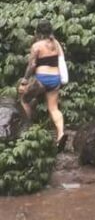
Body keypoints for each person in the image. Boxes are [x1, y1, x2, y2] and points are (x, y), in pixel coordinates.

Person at [18, 20, 66, 149]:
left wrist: (25, 80)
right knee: (54, 108)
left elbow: (32, 65)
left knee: (25, 99)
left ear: (37, 32)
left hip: (41, 79)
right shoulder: (56, 44)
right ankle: (61, 134)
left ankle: (26, 130)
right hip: (55, 79)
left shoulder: (37, 46)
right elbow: (61, 61)